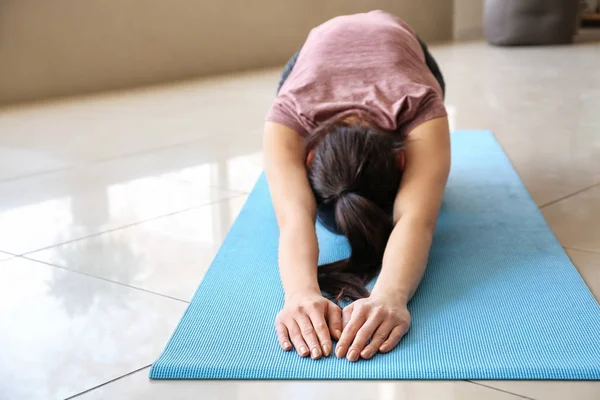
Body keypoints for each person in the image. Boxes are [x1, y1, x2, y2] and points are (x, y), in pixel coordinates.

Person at [263, 10, 450, 363]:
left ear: (402, 159)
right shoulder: (290, 111)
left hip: (400, 43)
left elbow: (417, 218)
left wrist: (391, 296)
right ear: (308, 158)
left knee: (427, 189)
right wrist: (299, 294)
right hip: (316, 51)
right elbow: (293, 217)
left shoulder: (420, 102)